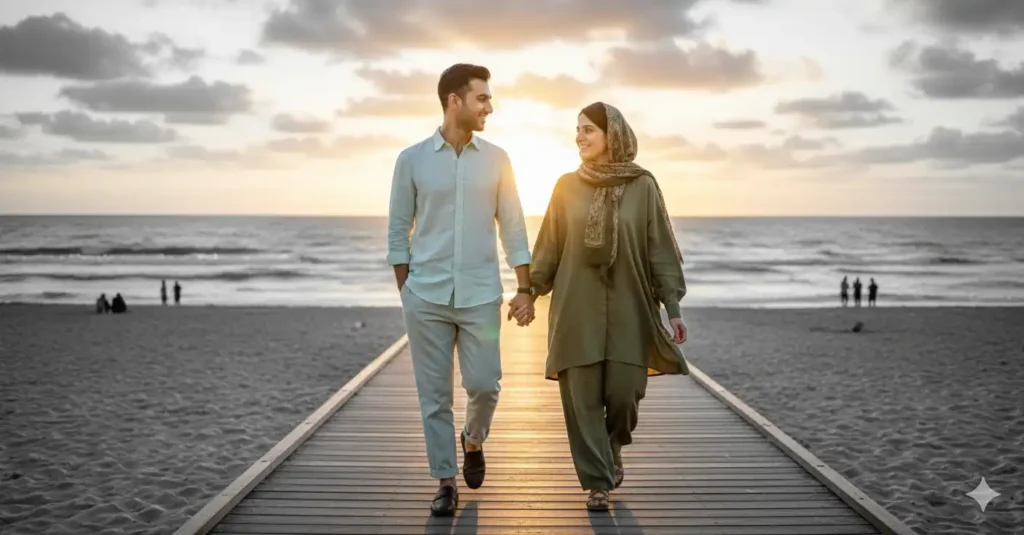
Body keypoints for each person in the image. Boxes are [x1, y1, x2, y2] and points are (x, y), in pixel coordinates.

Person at [386, 63, 534, 517]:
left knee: (485, 384)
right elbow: (397, 230)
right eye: (482, 98)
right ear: (455, 100)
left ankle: (474, 439)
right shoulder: (411, 159)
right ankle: (445, 482)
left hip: (480, 296)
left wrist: (524, 285)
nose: (490, 105)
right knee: (433, 396)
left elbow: (512, 225)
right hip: (425, 298)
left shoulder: (497, 159)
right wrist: (406, 291)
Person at [526, 102, 689, 512]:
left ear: (612, 135)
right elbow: (548, 246)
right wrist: (529, 291)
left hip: (631, 309)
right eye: (577, 130)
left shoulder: (643, 186)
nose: (579, 137)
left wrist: (672, 305)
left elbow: (661, 251)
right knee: (581, 401)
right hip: (575, 311)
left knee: (624, 394)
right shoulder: (566, 186)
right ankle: (598, 482)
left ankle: (613, 447)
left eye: (588, 130)